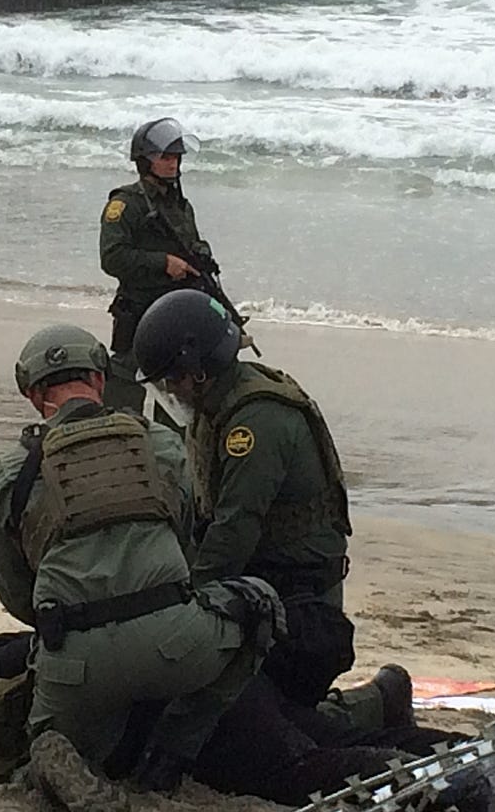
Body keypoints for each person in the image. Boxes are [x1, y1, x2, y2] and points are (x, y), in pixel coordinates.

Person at [0, 323, 279, 793]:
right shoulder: (159, 442)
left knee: (53, 744)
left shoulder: (11, 471)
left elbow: (16, 591)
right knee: (261, 603)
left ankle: (53, 759)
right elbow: (185, 546)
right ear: (100, 379)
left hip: (74, 660)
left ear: (35, 394)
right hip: (174, 641)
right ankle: (170, 756)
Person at [0, 631, 495, 812]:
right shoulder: (15, 645)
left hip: (183, 719)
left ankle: (464, 783)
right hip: (210, 664)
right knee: (328, 734)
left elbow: (35, 758)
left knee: (295, 773)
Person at [132, 288, 357, 715]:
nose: (170, 392)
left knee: (253, 716)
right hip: (265, 572)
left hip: (298, 592)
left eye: (171, 380)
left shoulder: (255, 422)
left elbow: (236, 527)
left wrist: (187, 607)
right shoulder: (220, 405)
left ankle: (377, 701)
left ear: (197, 370)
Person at [98, 117, 214, 417]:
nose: (173, 163)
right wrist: (163, 263)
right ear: (145, 161)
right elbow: (112, 257)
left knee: (177, 406)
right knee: (123, 401)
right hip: (138, 311)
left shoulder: (180, 206)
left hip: (175, 315)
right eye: (165, 157)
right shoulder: (126, 205)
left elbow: (192, 246)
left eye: (176, 157)